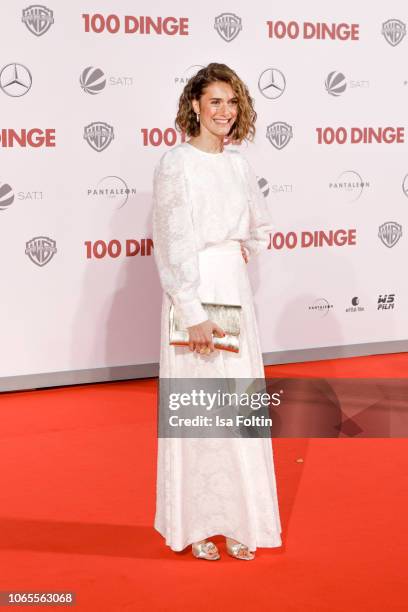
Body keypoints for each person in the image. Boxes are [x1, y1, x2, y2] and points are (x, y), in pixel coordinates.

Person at [152, 63, 282, 561]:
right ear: (194, 106)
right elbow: (172, 240)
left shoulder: (239, 166)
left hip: (234, 288)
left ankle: (242, 520)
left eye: (232, 102)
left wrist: (243, 247)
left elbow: (258, 222)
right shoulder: (176, 163)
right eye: (215, 102)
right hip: (197, 292)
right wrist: (191, 309)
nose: (225, 112)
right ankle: (200, 524)